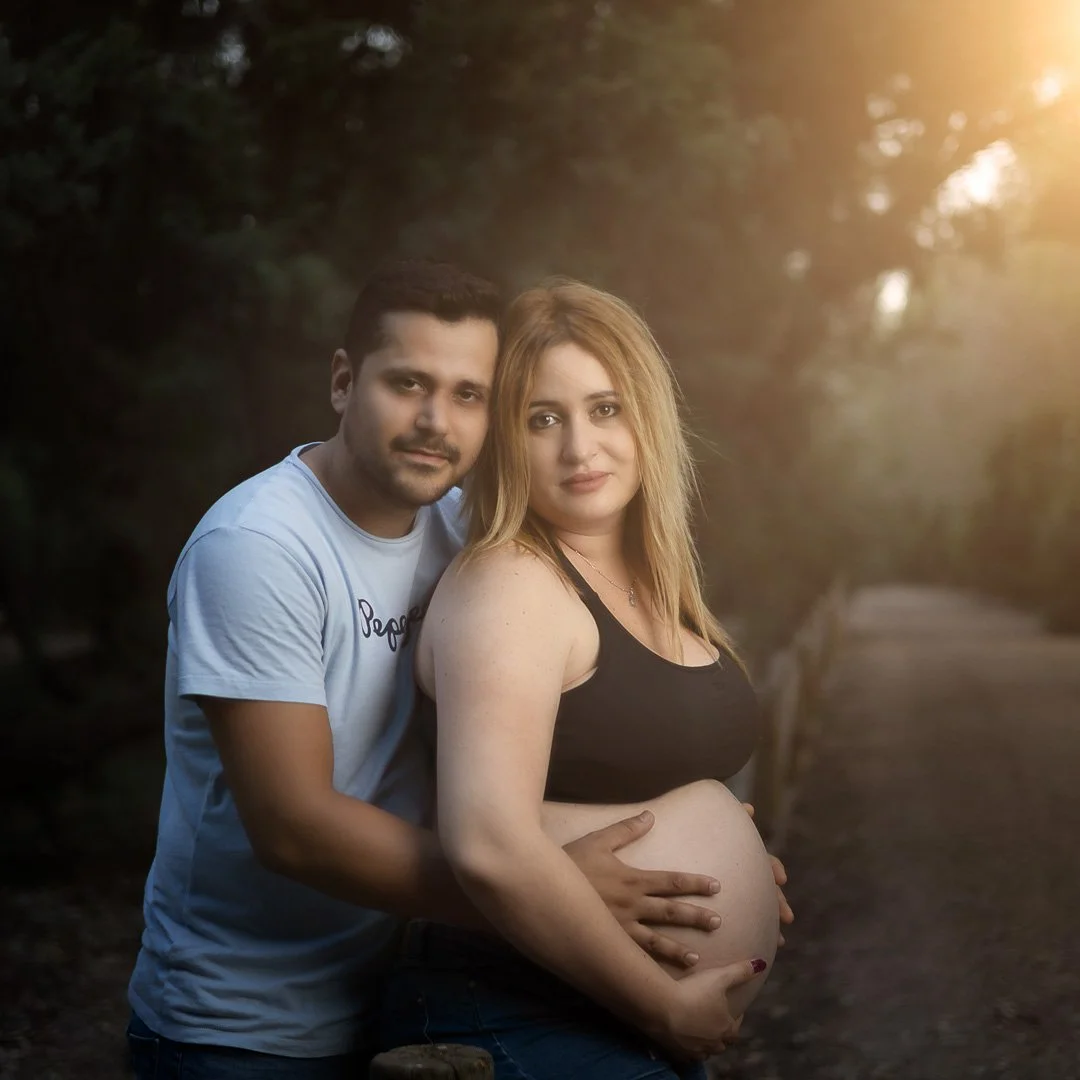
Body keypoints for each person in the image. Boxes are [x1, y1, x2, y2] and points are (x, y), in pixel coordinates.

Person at [125, 260, 740, 1080]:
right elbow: (295, 827)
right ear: (343, 381)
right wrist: (550, 886)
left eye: (468, 394)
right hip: (247, 1028)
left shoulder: (458, 525)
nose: (434, 421)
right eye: (408, 383)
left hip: (402, 992)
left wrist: (701, 853)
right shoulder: (257, 548)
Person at [377, 279, 793, 1078]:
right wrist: (664, 1004)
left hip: (610, 1014)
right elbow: (488, 841)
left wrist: (724, 858)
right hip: (517, 1010)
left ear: (646, 416)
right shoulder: (512, 583)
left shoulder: (653, 580)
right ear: (506, 438)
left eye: (605, 409)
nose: (579, 448)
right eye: (543, 419)